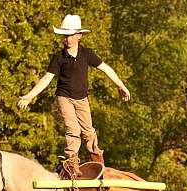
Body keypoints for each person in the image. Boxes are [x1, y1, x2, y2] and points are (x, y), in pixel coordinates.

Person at [18, 14, 130, 174]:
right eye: (64, 36)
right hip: (65, 98)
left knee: (89, 131)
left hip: (82, 98)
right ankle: (71, 163)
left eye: (70, 35)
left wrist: (121, 85)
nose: (67, 39)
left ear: (79, 36)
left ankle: (97, 159)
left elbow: (107, 69)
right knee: (73, 130)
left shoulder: (87, 54)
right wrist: (30, 96)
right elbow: (46, 79)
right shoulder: (59, 57)